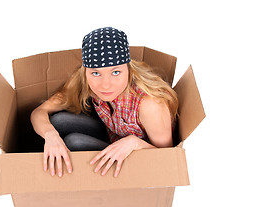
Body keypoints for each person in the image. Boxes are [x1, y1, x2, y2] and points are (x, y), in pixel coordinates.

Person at [30, 27, 178, 178]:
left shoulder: (150, 105)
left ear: (128, 68)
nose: (105, 85)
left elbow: (167, 158)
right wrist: (51, 136)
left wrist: (135, 143)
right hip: (112, 136)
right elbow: (38, 112)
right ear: (86, 71)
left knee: (74, 142)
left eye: (115, 72)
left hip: (135, 156)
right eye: (96, 73)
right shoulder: (85, 82)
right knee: (58, 121)